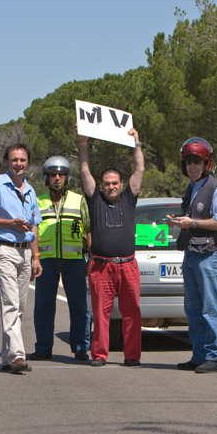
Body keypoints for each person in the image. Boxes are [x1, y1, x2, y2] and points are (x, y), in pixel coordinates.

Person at [0, 143, 43, 374]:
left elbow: (33, 225)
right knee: (10, 303)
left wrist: (36, 256)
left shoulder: (30, 190)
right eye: (14, 160)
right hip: (3, 248)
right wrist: (9, 223)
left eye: (22, 160)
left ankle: (6, 357)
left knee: (20, 306)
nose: (18, 164)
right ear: (6, 162)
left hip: (25, 251)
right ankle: (17, 357)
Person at [79, 128, 144, 367]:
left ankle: (132, 356)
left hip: (127, 265)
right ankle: (99, 354)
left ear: (121, 184)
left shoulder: (129, 198)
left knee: (132, 313)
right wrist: (83, 144)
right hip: (100, 266)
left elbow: (140, 170)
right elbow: (85, 171)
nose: (110, 187)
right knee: (100, 313)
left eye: (114, 183)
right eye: (106, 183)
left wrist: (136, 143)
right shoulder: (95, 199)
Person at [166, 137, 217, 374]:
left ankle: (214, 356)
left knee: (211, 307)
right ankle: (199, 355)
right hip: (193, 254)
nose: (192, 166)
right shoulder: (192, 188)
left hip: (211, 254)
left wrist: (192, 223)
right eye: (188, 162)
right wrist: (180, 224)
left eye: (197, 161)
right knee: (193, 308)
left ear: (207, 164)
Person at [32, 155, 92, 361]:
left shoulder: (79, 200)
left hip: (74, 260)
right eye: (53, 174)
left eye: (61, 174)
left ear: (67, 177)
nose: (57, 178)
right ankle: (43, 347)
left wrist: (90, 257)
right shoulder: (37, 201)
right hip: (46, 260)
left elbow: (88, 229)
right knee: (43, 305)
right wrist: (35, 257)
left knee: (79, 306)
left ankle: (81, 347)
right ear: (46, 177)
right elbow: (33, 231)